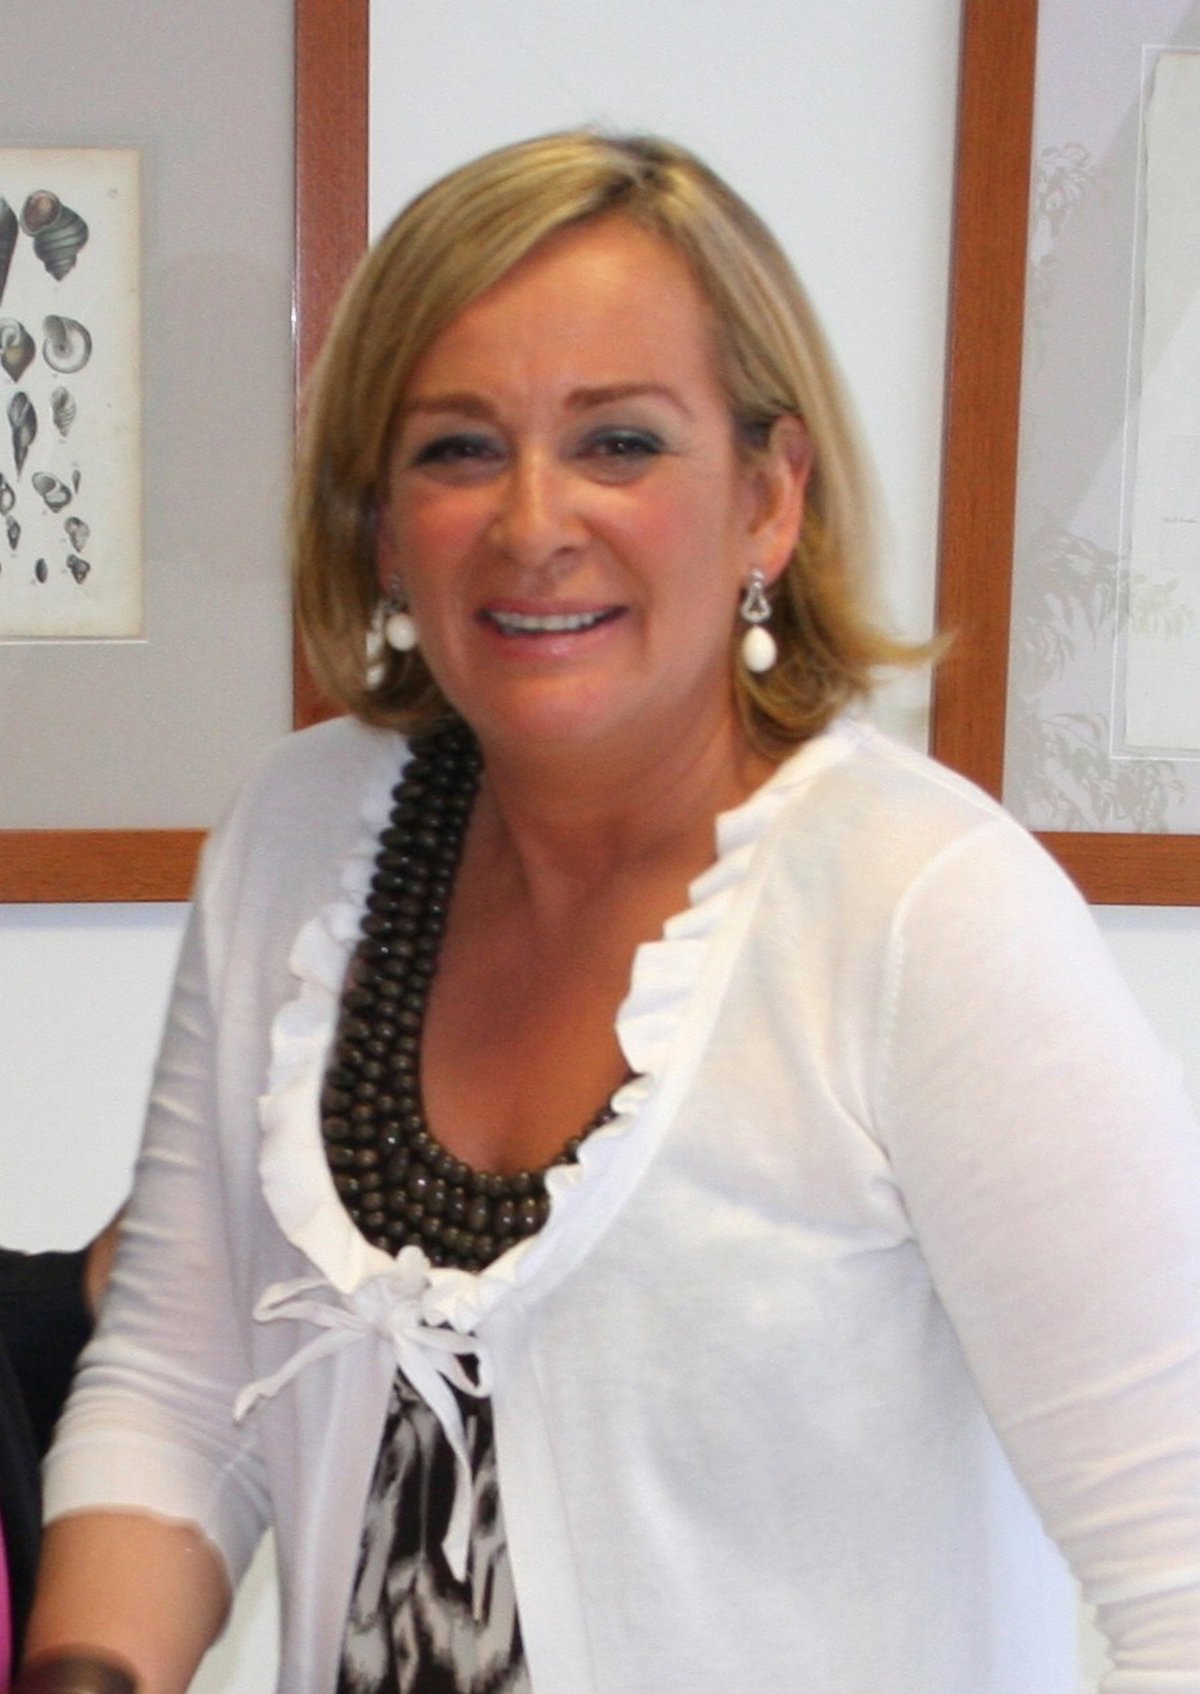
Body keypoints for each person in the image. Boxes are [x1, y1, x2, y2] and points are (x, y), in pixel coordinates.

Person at [19, 131, 1200, 1694]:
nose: (533, 520)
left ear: (769, 497)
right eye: (456, 449)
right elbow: (182, 1384)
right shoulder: (292, 843)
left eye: (620, 442)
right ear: (381, 524)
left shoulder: (931, 914)